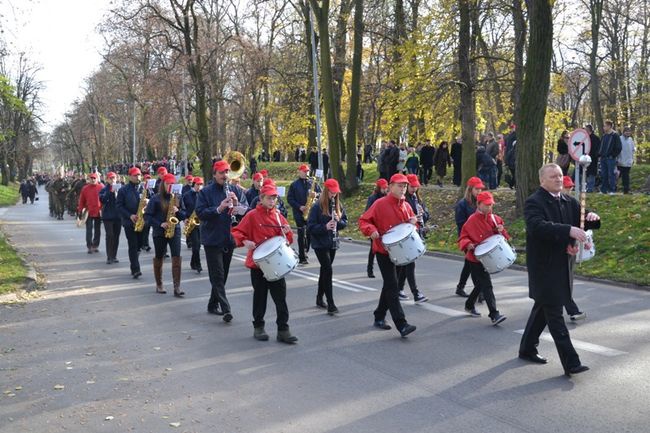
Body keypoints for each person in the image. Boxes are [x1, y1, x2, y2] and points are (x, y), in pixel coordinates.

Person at [518, 163, 601, 376]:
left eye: (560, 175)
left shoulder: (567, 200)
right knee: (555, 315)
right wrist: (569, 231)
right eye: (553, 176)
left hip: (563, 264)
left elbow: (581, 218)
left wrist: (592, 218)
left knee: (542, 310)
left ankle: (527, 348)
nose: (558, 179)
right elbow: (537, 227)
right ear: (542, 180)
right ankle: (571, 362)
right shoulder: (534, 202)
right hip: (544, 267)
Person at [232, 183, 298, 343]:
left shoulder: (278, 216)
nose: (272, 200)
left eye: (274, 198)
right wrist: (245, 241)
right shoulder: (252, 215)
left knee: (280, 299)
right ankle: (258, 327)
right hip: (258, 265)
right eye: (269, 198)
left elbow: (286, 241)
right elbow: (236, 232)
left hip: (276, 265)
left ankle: (283, 330)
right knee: (260, 297)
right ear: (261, 198)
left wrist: (288, 233)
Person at [359, 173, 418, 338]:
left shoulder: (406, 206)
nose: (403, 188)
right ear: (390, 187)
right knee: (392, 286)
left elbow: (411, 227)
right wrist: (371, 231)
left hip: (402, 251)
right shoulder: (379, 204)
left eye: (405, 186)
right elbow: (364, 221)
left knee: (390, 285)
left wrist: (415, 223)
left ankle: (379, 316)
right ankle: (402, 324)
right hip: (384, 251)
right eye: (399, 185)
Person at [195, 160, 238, 322]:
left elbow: (244, 210)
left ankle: (212, 304)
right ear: (214, 174)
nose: (225, 175)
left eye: (227, 172)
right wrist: (219, 209)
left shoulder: (233, 189)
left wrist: (236, 204)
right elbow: (200, 213)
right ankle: (226, 309)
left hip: (228, 238)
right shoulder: (205, 192)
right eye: (221, 173)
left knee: (223, 275)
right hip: (212, 239)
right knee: (218, 276)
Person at [458, 191, 508, 325]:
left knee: (480, 285)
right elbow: (463, 237)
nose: (489, 208)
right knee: (487, 284)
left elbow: (503, 237)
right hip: (475, 259)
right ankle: (494, 314)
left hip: (490, 257)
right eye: (486, 205)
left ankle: (469, 304)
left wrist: (501, 230)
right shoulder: (471, 221)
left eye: (491, 205)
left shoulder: (495, 219)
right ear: (478, 204)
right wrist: (467, 244)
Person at [307, 178, 348, 315]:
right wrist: (325, 227)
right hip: (320, 243)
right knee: (328, 270)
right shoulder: (316, 207)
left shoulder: (338, 205)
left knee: (325, 270)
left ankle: (319, 298)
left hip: (332, 242)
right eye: (332, 193)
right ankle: (331, 304)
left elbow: (344, 223)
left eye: (336, 193)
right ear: (326, 191)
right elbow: (311, 227)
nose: (334, 195)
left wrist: (338, 220)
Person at [145, 173, 187, 297]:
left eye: (172, 184)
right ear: (163, 184)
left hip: (175, 230)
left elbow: (184, 215)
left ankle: (177, 287)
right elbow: (147, 217)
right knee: (159, 256)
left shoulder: (178, 198)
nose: (170, 186)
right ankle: (159, 284)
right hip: (159, 231)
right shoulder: (155, 199)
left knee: (176, 257)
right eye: (168, 183)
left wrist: (178, 211)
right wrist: (160, 224)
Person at [397, 174, 429, 303]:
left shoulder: (417, 199)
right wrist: (412, 219)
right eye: (412, 186)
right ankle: (415, 293)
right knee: (410, 263)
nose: (414, 189)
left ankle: (398, 289)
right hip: (406, 234)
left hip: (415, 233)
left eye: (416, 186)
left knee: (406, 264)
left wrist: (423, 215)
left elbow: (427, 215)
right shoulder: (404, 200)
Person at [561, 175, 587, 321]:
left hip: (570, 247)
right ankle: (572, 310)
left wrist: (582, 239)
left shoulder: (572, 203)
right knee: (563, 281)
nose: (569, 190)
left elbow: (579, 223)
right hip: (559, 249)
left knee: (567, 280)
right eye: (567, 187)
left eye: (571, 187)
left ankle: (569, 309)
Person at [454, 177, 485, 297]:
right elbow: (461, 224)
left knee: (469, 264)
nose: (479, 191)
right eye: (477, 189)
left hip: (479, 238)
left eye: (480, 189)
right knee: (473, 264)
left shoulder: (480, 203)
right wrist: (468, 240)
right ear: (470, 189)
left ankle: (460, 287)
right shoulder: (462, 204)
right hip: (467, 238)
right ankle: (480, 291)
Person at [287, 164, 321, 265]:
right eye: (304, 171)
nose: (306, 173)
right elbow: (290, 199)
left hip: (310, 213)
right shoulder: (294, 185)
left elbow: (321, 193)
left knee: (310, 234)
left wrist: (317, 195)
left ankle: (305, 250)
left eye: (307, 171)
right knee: (301, 235)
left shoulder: (312, 183)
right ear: (299, 172)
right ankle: (302, 257)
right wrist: (299, 207)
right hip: (299, 213)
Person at [116, 167, 144, 279]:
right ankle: (135, 269)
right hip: (129, 222)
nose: (138, 177)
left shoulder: (144, 188)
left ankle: (135, 257)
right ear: (129, 177)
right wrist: (130, 215)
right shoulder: (123, 190)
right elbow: (119, 206)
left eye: (139, 175)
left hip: (142, 221)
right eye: (135, 175)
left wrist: (148, 202)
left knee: (140, 245)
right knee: (133, 245)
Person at [365, 179, 388, 278]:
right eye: (383, 188)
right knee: (373, 249)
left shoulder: (387, 198)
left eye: (386, 187)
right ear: (379, 188)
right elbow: (368, 212)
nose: (385, 189)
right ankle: (370, 269)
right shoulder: (373, 198)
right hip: (374, 227)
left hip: (384, 226)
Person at [77, 173, 103, 254]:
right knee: (89, 229)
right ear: (89, 179)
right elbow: (81, 200)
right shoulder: (85, 188)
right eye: (91, 178)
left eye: (94, 178)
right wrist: (80, 210)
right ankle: (89, 246)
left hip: (98, 211)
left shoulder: (101, 187)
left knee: (97, 230)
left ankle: (95, 245)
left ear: (97, 179)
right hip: (89, 211)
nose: (93, 180)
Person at [99, 172, 122, 264]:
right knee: (110, 235)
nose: (113, 180)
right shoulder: (104, 189)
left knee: (116, 236)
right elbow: (102, 199)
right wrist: (110, 192)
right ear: (107, 180)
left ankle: (114, 255)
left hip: (118, 216)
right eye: (111, 178)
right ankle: (109, 256)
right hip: (108, 216)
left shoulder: (120, 189)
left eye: (114, 178)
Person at [183, 176, 204, 273]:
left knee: (198, 245)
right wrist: (185, 218)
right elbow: (183, 208)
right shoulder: (187, 195)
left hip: (202, 222)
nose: (199, 186)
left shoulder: (204, 195)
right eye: (197, 184)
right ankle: (198, 264)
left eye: (201, 184)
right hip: (192, 222)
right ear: (193, 184)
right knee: (196, 245)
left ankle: (193, 262)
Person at [599, 120, 622, 194]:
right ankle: (604, 189)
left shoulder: (615, 135)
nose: (603, 127)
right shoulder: (604, 135)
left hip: (610, 158)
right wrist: (600, 154)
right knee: (603, 174)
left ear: (609, 126)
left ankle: (612, 189)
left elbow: (619, 147)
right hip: (603, 158)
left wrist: (613, 155)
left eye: (605, 126)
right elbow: (601, 146)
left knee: (611, 174)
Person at [617, 126, 636, 194]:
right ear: (623, 132)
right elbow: (617, 149)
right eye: (626, 131)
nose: (628, 133)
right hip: (620, 161)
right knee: (617, 175)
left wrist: (632, 159)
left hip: (628, 161)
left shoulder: (630, 139)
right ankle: (613, 188)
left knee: (626, 176)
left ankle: (626, 190)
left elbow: (633, 149)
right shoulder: (620, 138)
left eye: (629, 131)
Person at [585, 124, 601, 193]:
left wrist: (596, 155)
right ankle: (588, 187)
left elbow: (598, 149)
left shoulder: (595, 138)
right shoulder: (586, 138)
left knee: (592, 173)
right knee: (588, 173)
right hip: (586, 158)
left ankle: (590, 188)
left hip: (593, 158)